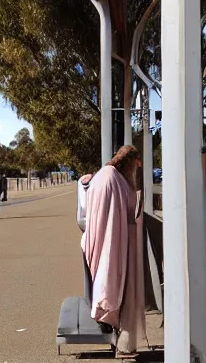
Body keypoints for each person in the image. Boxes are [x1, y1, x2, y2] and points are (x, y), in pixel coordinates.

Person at [81, 145, 146, 357]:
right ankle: (117, 338)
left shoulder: (108, 175)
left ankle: (117, 336)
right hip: (112, 246)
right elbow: (113, 220)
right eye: (135, 167)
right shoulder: (112, 179)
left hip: (108, 244)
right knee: (112, 289)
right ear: (128, 163)